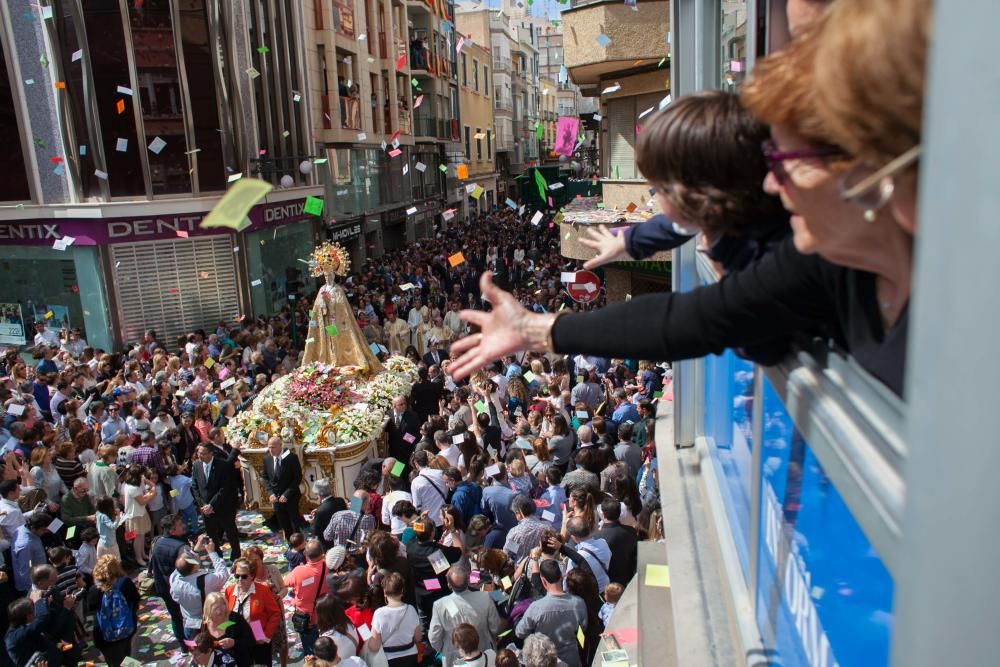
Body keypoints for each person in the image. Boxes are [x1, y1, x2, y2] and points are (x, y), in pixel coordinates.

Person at [515, 559, 588, 667]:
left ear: (543, 581)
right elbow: (583, 629)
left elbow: (520, 632)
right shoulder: (579, 603)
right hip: (573, 660)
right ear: (562, 576)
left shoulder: (536, 608)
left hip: (546, 662)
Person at [428, 567, 501, 667]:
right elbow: (495, 628)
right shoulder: (484, 597)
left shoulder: (440, 605)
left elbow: (434, 638)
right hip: (483, 654)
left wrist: (446, 650)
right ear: (468, 581)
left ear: (449, 585)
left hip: (455, 657)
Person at [170, 534, 231, 639]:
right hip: (207, 626)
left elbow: (185, 565)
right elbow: (223, 574)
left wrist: (195, 550)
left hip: (189, 626)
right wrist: (212, 552)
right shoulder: (205, 581)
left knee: (197, 652)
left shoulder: (174, 578)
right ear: (194, 567)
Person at [224, 558, 282, 666]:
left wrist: (266, 635)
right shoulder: (229, 590)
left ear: (252, 576)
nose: (239, 579)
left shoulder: (263, 590)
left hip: (258, 638)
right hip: (238, 640)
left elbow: (275, 613)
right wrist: (221, 630)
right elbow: (228, 616)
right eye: (237, 576)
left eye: (244, 576)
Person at [191, 443, 242, 560]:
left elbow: (224, 488)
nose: (200, 456)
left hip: (222, 505)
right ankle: (217, 554)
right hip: (205, 508)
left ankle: (236, 554)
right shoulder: (197, 465)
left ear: (211, 453)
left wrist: (212, 504)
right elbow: (194, 486)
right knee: (211, 534)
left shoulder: (222, 465)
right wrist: (203, 505)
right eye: (199, 453)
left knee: (230, 531)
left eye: (203, 454)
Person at [150, 514, 191, 651]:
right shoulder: (181, 547)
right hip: (180, 588)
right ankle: (191, 643)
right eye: (179, 525)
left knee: (175, 617)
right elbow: (191, 567)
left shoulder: (156, 542)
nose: (183, 526)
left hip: (164, 588)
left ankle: (183, 646)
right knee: (188, 616)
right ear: (172, 531)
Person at [91, 554, 140, 667]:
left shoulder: (95, 589)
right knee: (127, 655)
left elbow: (91, 607)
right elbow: (136, 600)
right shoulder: (126, 582)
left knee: (113, 662)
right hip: (126, 628)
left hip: (105, 634)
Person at [284, 538, 330, 655]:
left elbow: (286, 582)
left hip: (306, 618)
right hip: (325, 614)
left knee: (310, 651)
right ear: (322, 553)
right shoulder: (328, 566)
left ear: (305, 554)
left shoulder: (298, 571)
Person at [368, 572, 422, 667]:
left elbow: (374, 646)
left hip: (388, 660)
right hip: (411, 658)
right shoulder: (411, 609)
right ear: (402, 591)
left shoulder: (379, 613)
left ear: (385, 593)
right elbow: (418, 637)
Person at [263, 436, 303, 540]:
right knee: (284, 524)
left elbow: (297, 477)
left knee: (295, 524)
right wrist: (270, 493)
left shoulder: (291, 457)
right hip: (276, 499)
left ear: (280, 446)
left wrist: (287, 494)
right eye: (269, 447)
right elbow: (265, 477)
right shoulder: (267, 458)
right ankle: (290, 544)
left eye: (273, 447)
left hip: (291, 497)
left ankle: (299, 544)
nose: (271, 450)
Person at [201, 591, 256, 667]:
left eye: (222, 606)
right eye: (216, 608)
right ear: (208, 610)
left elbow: (251, 641)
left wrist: (234, 642)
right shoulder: (205, 624)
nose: (220, 611)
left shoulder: (235, 619)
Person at [594, 498, 638, 586]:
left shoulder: (597, 537)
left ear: (603, 514)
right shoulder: (631, 532)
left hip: (607, 583)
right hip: (627, 579)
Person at [121, 465, 156, 565]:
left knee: (142, 535)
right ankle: (138, 558)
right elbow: (142, 501)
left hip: (140, 513)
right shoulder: (132, 488)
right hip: (134, 515)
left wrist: (151, 488)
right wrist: (152, 493)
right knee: (137, 537)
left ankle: (143, 554)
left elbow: (150, 484)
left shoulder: (138, 479)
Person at [565, 516, 611, 592]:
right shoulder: (603, 542)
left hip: (591, 595)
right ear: (589, 530)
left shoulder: (575, 558)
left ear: (573, 537)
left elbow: (567, 585)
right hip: (606, 589)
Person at [503, 495, 551, 562]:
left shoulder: (515, 532)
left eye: (515, 513)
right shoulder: (547, 527)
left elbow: (507, 553)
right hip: (542, 567)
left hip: (521, 569)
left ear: (519, 513)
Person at [12, 513, 51, 595]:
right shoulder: (26, 545)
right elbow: (25, 570)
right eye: (44, 529)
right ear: (34, 528)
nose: (47, 531)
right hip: (31, 588)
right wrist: (33, 591)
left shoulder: (21, 529)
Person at [410, 450, 449, 526]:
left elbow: (417, 507)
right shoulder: (441, 473)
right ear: (428, 460)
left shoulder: (416, 482)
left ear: (416, 464)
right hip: (444, 520)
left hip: (429, 524)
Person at [310, 478, 347, 548]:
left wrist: (312, 522)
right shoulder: (341, 501)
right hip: (344, 538)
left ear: (319, 494)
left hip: (329, 544)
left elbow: (316, 532)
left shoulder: (320, 511)